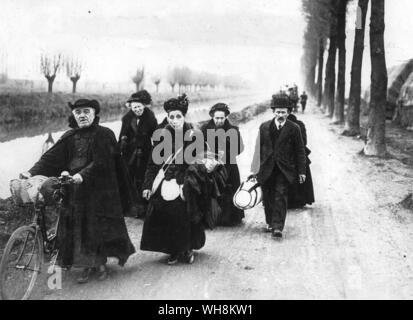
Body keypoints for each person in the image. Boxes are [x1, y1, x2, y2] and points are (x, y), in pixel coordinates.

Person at [20, 99, 136, 284]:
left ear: (94, 113)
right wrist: (31, 172)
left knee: (95, 226)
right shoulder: (69, 136)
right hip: (73, 187)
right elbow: (51, 157)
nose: (82, 115)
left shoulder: (105, 134)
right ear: (74, 115)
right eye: (78, 112)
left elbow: (103, 162)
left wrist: (82, 175)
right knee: (77, 226)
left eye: (86, 111)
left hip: (99, 190)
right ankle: (86, 264)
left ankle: (100, 264)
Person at [140, 94, 205, 265]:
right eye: (171, 116)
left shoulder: (194, 134)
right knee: (165, 214)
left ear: (184, 117)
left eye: (178, 116)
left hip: (187, 181)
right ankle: (173, 250)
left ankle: (188, 247)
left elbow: (200, 160)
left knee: (186, 215)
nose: (175, 120)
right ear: (167, 117)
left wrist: (188, 176)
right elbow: (153, 164)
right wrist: (147, 185)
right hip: (166, 180)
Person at [250, 93, 307, 239]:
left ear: (288, 112)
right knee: (268, 196)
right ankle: (270, 221)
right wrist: (255, 169)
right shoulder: (264, 127)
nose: (280, 114)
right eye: (278, 111)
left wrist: (302, 171)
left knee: (280, 195)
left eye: (283, 112)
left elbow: (300, 151)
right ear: (273, 111)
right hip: (267, 167)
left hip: (285, 169)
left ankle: (277, 226)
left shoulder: (294, 128)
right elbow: (258, 149)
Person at [200, 103, 245, 226]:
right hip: (211, 165)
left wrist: (226, 149)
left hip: (229, 165)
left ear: (226, 117)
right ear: (212, 117)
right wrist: (208, 156)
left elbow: (240, 148)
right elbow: (198, 147)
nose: (219, 121)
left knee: (229, 189)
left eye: (222, 118)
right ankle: (211, 217)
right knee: (210, 190)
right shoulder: (204, 129)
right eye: (217, 118)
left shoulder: (233, 130)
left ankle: (229, 218)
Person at [119, 90, 158, 218]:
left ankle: (143, 207)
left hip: (145, 152)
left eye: (139, 107)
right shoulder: (127, 118)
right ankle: (129, 207)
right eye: (135, 107)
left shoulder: (150, 117)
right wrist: (122, 144)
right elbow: (122, 135)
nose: (137, 109)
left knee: (142, 177)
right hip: (129, 153)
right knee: (128, 177)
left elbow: (156, 135)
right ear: (131, 107)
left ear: (144, 106)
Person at [286, 102, 315, 209]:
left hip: (295, 155)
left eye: (284, 111)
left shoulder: (299, 124)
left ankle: (296, 201)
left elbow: (304, 142)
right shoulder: (274, 124)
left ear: (289, 111)